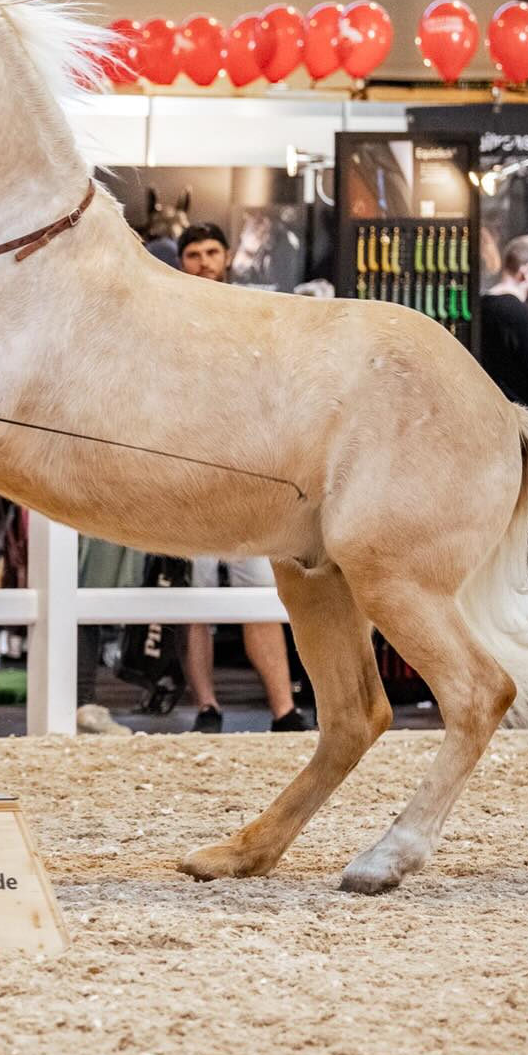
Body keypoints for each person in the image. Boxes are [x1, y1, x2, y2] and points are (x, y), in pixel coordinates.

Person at [176, 223, 313, 734]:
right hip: (183, 475)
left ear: (228, 255)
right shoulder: (168, 318)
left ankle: (284, 708)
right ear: (183, 261)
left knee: (260, 591)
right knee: (197, 598)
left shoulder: (251, 314)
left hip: (248, 473)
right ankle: (207, 706)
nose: (204, 262)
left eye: (212, 251)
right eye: (194, 254)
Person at [478, 235, 528, 426]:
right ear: (527, 270)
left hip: (481, 421)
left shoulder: (478, 309)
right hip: (518, 426)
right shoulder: (525, 315)